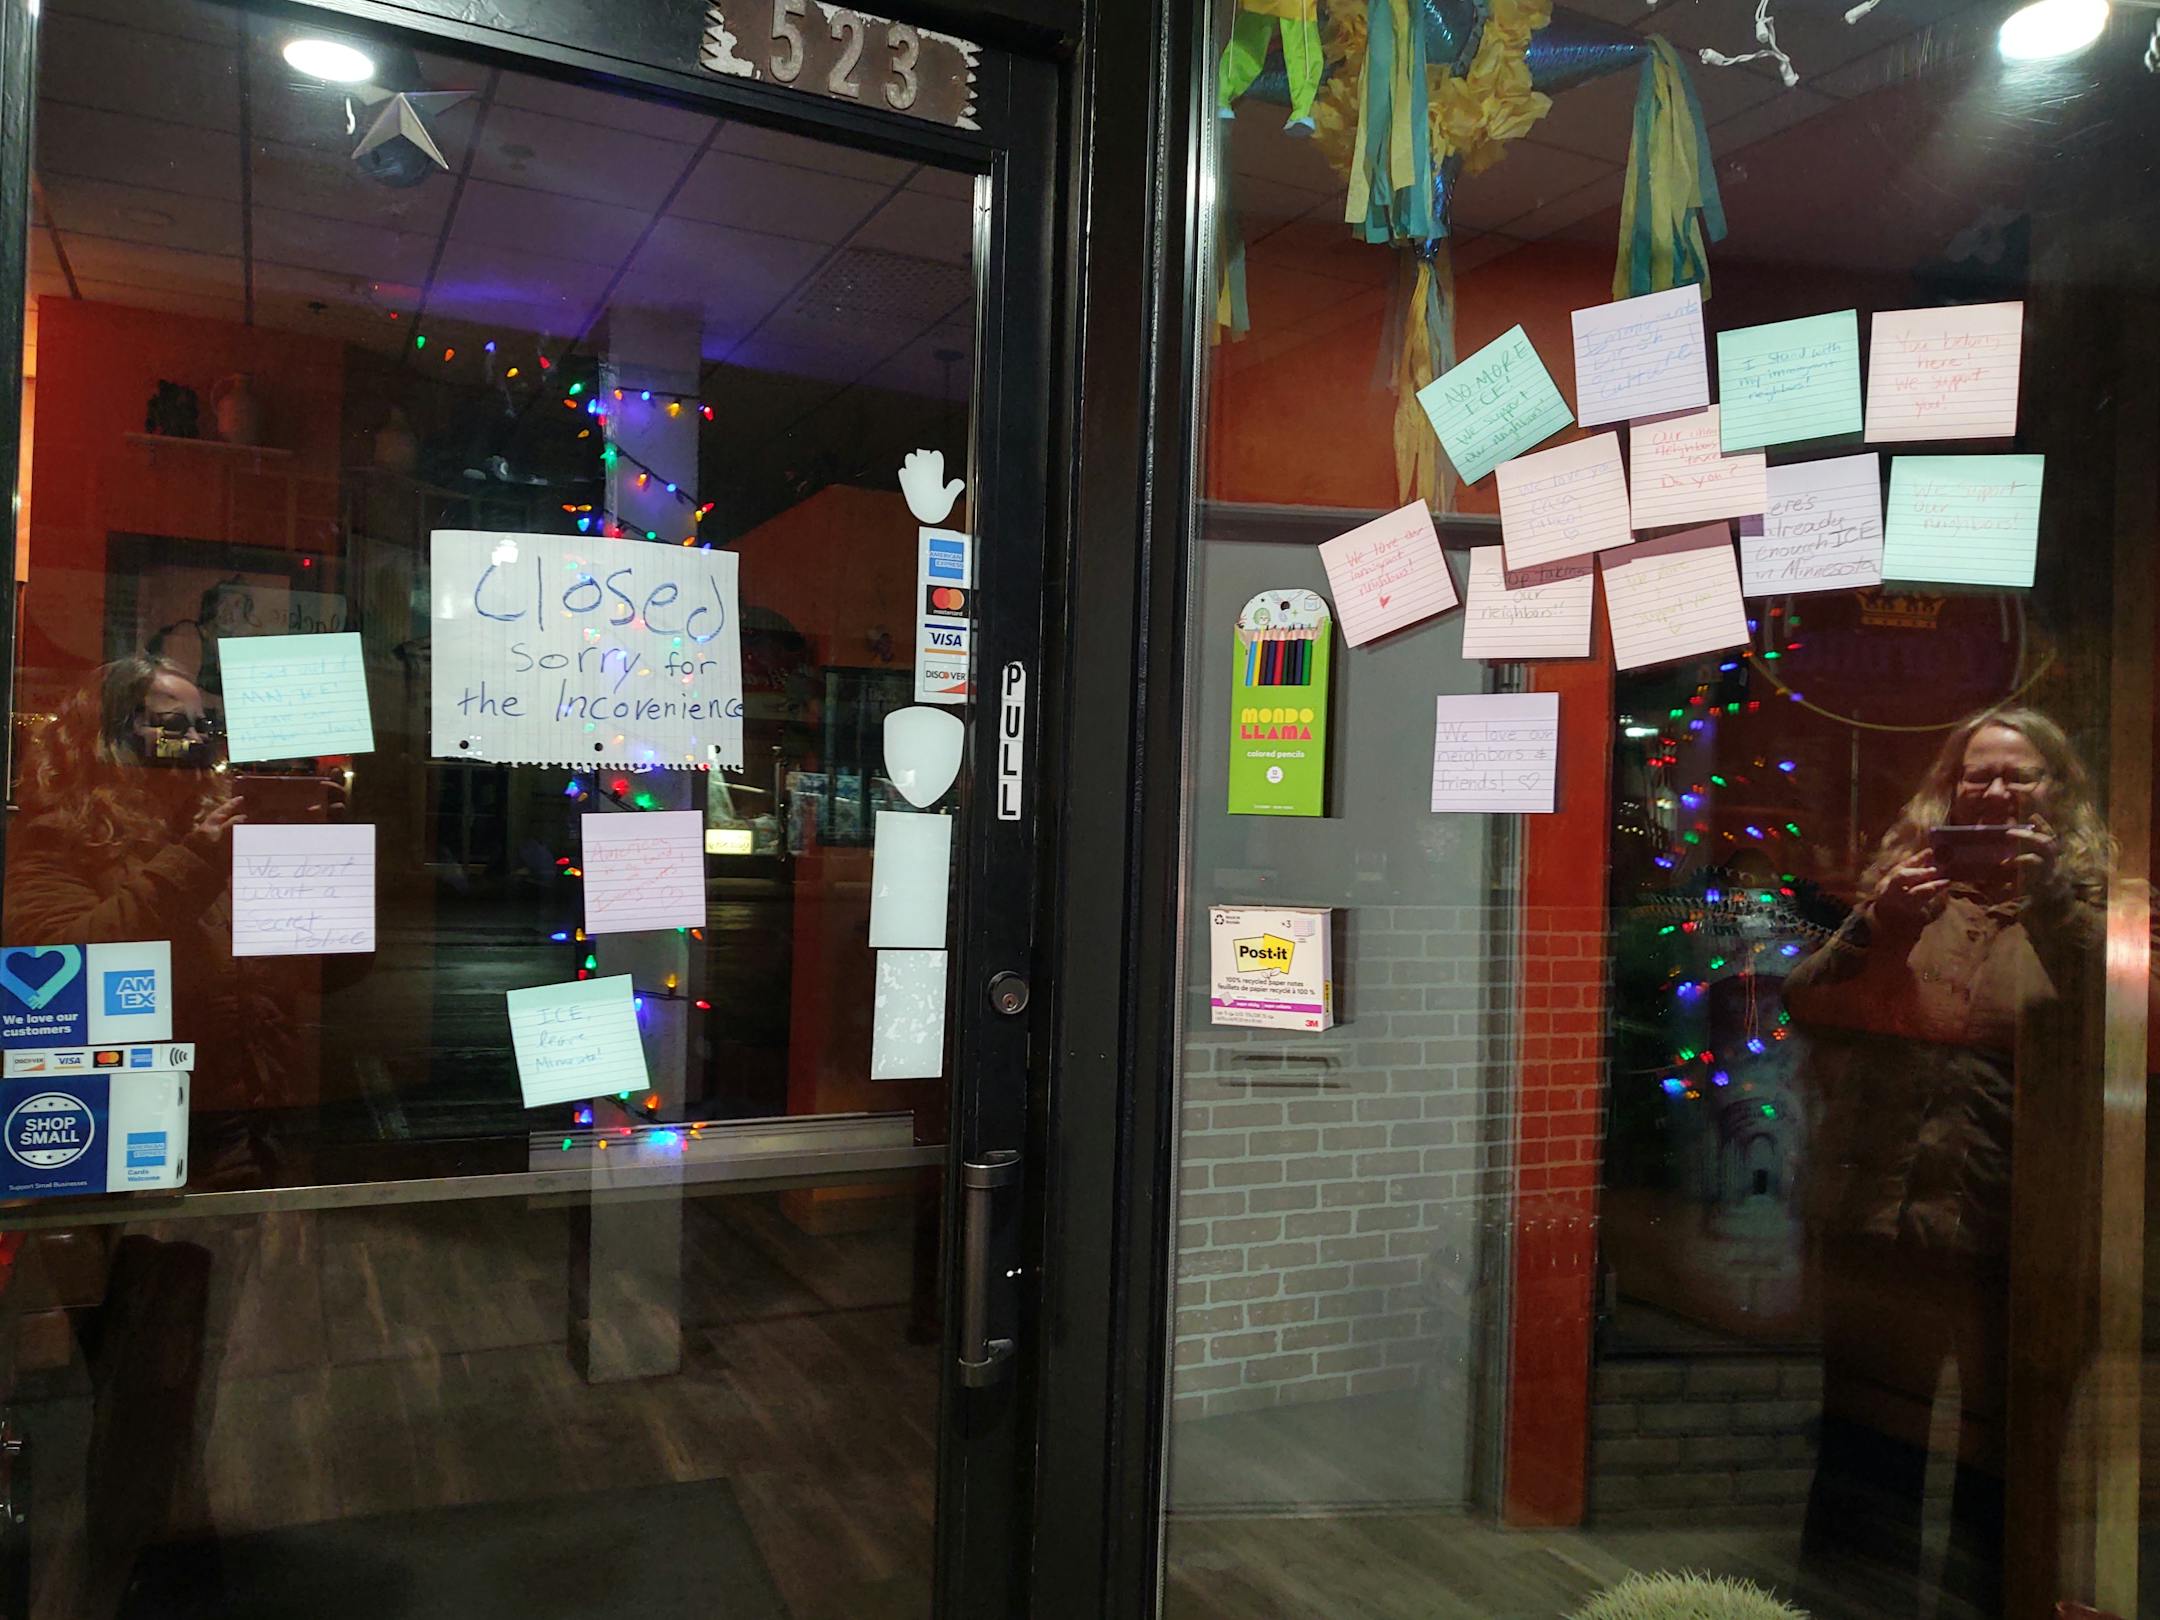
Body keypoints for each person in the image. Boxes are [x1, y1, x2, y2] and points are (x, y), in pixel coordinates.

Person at [1783, 706, 2127, 1619]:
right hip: (1884, 1228)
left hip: (2019, 1236)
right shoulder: (1906, 890)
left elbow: (2122, 1026)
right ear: (1952, 789)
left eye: (2022, 775)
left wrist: (2052, 905)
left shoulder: (2111, 907)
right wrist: (1881, 926)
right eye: (1980, 774)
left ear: (2059, 790)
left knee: (2005, 1469)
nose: (1998, 791)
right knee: (1864, 1456)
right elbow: (1806, 1006)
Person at [4, 655, 296, 1135]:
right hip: (138, 1114)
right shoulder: (58, 838)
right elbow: (57, 966)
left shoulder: (212, 831)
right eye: (174, 726)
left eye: (204, 726)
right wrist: (197, 860)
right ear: (111, 738)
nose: (196, 740)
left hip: (248, 1118)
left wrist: (326, 866)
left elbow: (316, 974)